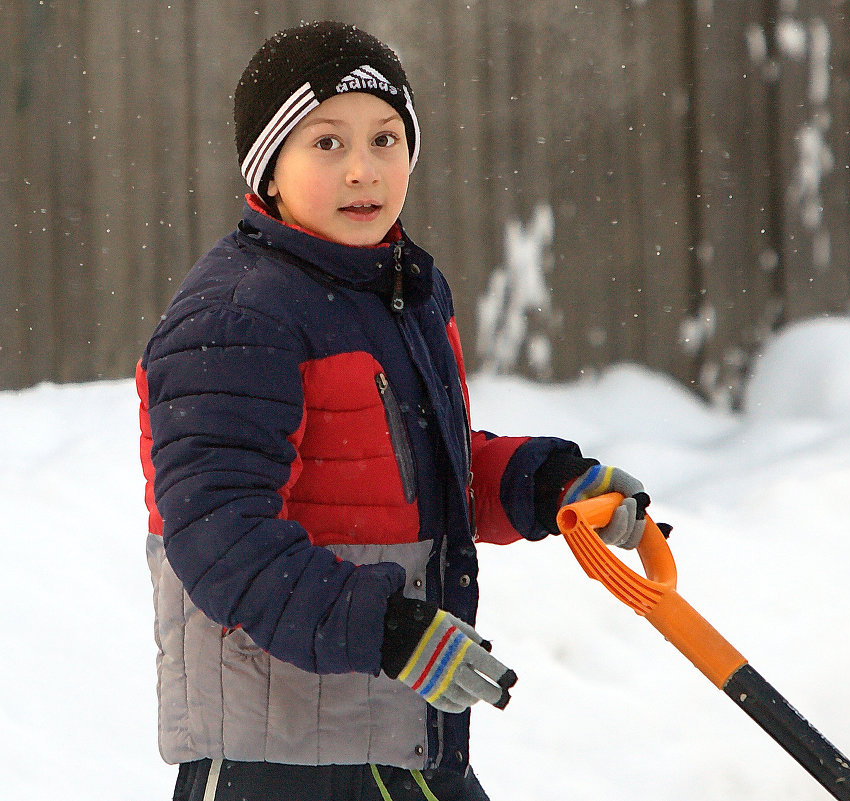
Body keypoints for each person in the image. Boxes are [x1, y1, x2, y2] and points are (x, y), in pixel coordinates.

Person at [137, 20, 653, 801]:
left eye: (385, 139)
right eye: (326, 144)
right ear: (269, 169)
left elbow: (418, 469)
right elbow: (221, 540)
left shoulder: (399, 289)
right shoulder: (237, 316)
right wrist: (390, 629)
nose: (362, 170)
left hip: (397, 731)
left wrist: (546, 485)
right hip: (274, 761)